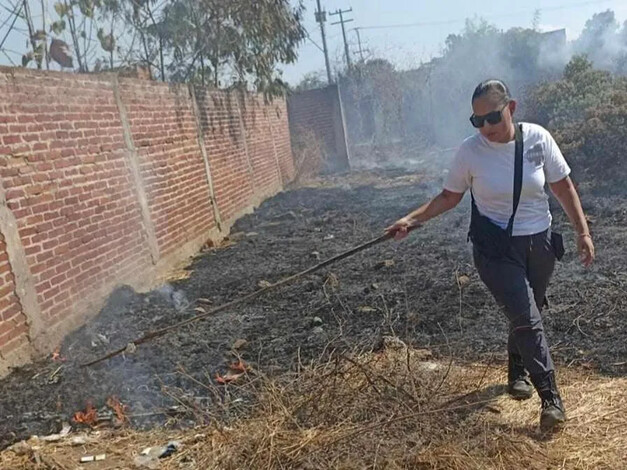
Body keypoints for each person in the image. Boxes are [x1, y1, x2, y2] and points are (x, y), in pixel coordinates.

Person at [386, 79, 595, 431]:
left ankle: (516, 370)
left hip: (540, 243)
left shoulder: (538, 140)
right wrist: (410, 219)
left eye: (493, 118)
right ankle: (551, 397)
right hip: (495, 250)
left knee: (529, 308)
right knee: (526, 315)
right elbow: (449, 197)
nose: (485, 128)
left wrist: (583, 232)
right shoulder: (470, 152)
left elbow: (562, 186)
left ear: (511, 108)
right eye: (477, 121)